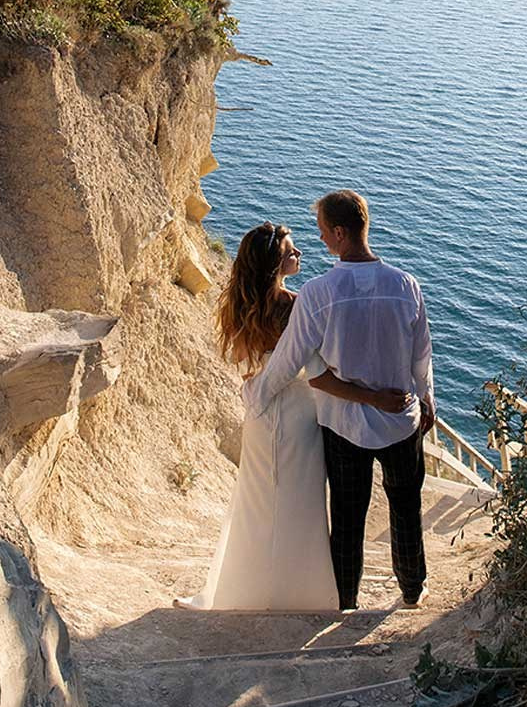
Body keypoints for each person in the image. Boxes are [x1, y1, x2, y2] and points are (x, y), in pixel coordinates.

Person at [178, 221, 409, 611]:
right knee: (300, 504)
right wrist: (374, 397)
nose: (299, 253)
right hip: (298, 416)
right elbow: (319, 375)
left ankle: (247, 588)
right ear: (274, 264)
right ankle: (298, 590)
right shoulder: (295, 306)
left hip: (259, 415)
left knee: (257, 502)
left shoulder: (238, 304)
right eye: (290, 251)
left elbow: (249, 365)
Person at [245, 189, 436, 612]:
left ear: (338, 232)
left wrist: (258, 396)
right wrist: (427, 400)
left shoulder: (319, 292)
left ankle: (346, 602)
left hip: (344, 423)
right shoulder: (406, 284)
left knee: (347, 518)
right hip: (401, 416)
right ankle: (412, 589)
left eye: (322, 231)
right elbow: (422, 354)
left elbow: (290, 357)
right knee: (406, 506)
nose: (319, 239)